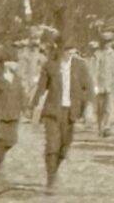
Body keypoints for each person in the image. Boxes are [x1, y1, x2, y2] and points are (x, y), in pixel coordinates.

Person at [31, 36, 93, 190]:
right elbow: (41, 87)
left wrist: (88, 108)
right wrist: (34, 104)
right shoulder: (50, 65)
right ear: (59, 49)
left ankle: (55, 170)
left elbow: (88, 88)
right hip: (53, 111)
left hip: (71, 113)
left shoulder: (80, 66)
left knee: (64, 147)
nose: (70, 53)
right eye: (66, 49)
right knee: (52, 145)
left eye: (72, 50)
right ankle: (51, 179)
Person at [0, 47, 26, 175]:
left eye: (16, 62)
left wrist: (25, 107)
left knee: (12, 140)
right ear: (5, 63)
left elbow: (21, 94)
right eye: (12, 62)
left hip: (14, 113)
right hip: (0, 114)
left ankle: (2, 157)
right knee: (1, 140)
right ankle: (0, 163)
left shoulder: (17, 78)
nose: (15, 65)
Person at [93, 31, 114, 137]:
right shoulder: (97, 54)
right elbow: (94, 70)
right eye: (105, 42)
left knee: (109, 108)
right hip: (100, 85)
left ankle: (107, 127)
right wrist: (94, 85)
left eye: (109, 42)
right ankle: (100, 127)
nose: (107, 44)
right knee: (100, 108)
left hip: (110, 85)